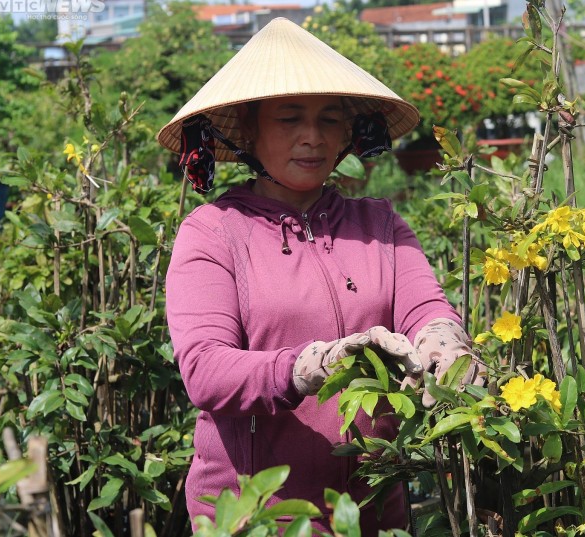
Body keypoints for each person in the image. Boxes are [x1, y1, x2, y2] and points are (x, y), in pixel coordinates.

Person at [158, 18, 483, 534]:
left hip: (374, 514)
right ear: (249, 129)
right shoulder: (214, 233)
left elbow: (425, 307)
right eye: (289, 119)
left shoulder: (379, 225)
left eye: (329, 120)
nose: (312, 138)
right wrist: (312, 365)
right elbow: (205, 369)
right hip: (255, 519)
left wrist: (444, 344)